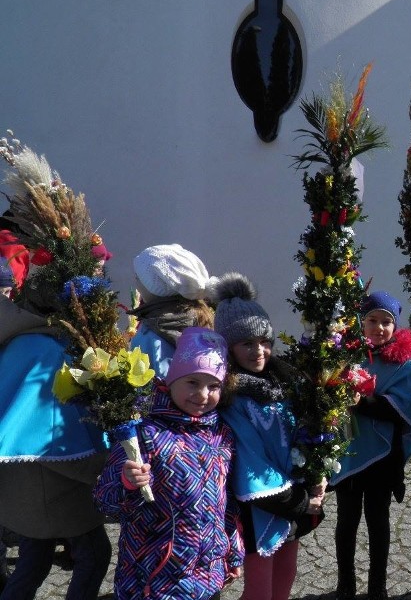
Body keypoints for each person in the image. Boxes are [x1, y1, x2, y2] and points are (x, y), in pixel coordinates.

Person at [93, 327, 244, 599]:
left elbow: (226, 502)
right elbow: (106, 501)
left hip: (208, 576)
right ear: (171, 379)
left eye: (213, 386)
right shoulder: (144, 434)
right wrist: (127, 483)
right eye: (192, 382)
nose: (202, 394)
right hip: (155, 579)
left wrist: (233, 553)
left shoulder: (221, 434)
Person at [211, 273, 325, 600]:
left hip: (293, 498)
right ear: (228, 347)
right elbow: (251, 463)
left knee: (286, 575)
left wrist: (318, 468)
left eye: (264, 342)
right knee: (260, 586)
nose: (259, 351)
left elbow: (304, 431)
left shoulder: (285, 382)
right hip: (260, 504)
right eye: (247, 343)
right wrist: (302, 502)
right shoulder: (231, 397)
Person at [0, 265, 111, 600]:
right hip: (56, 491)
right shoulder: (48, 351)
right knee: (95, 555)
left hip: (26, 494)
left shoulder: (21, 339)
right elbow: (52, 436)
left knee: (34, 561)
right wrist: (101, 472)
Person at [331, 291, 411, 600]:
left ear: (395, 327)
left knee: (378, 521)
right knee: (346, 520)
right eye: (372, 320)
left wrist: (364, 402)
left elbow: (403, 411)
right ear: (361, 321)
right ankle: (345, 584)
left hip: (384, 457)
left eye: (387, 322)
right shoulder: (346, 354)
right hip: (349, 449)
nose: (379, 328)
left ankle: (377, 587)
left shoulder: (404, 363)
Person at [128, 243, 216, 378]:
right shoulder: (196, 316)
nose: (136, 283)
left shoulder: (158, 329)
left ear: (157, 287)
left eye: (138, 278)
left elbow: (160, 383)